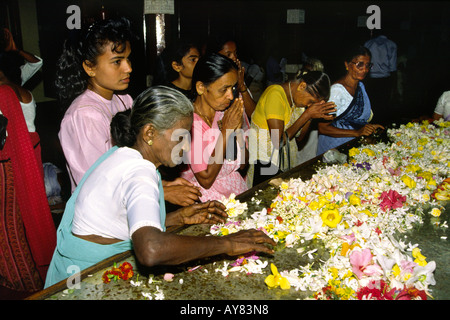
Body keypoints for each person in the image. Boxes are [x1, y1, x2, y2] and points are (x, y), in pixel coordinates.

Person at [44, 86, 275, 288]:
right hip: (88, 278)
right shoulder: (140, 173)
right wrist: (228, 243)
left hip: (74, 269)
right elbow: (151, 249)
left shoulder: (122, 154)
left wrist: (177, 218)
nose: (187, 146)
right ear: (150, 133)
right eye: (181, 137)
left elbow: (113, 223)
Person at [56, 17, 199, 206]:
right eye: (117, 61)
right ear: (89, 67)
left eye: (128, 59)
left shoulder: (124, 100)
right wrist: (162, 191)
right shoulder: (85, 115)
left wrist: (163, 183)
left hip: (128, 200)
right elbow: (100, 183)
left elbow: (135, 160)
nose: (128, 68)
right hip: (101, 212)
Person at [0, 83, 56, 293]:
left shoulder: (4, 93)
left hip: (8, 173)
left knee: (12, 240)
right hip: (22, 166)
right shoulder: (15, 90)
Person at [248, 71, 336, 187]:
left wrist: (310, 117)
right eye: (311, 102)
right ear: (302, 86)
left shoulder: (297, 100)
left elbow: (299, 138)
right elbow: (277, 141)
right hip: (264, 163)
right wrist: (307, 115)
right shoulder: (275, 95)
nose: (309, 106)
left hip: (282, 162)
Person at [181, 53, 249, 201]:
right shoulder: (189, 123)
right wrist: (226, 132)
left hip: (235, 190)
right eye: (223, 90)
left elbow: (243, 164)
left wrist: (237, 132)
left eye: (233, 88)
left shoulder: (225, 113)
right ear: (201, 87)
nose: (230, 96)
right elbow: (205, 179)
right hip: (206, 201)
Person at [317, 45, 385, 156]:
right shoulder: (337, 91)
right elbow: (323, 128)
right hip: (334, 149)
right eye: (360, 65)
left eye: (368, 65)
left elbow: (354, 120)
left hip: (351, 144)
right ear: (347, 64)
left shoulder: (360, 86)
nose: (365, 70)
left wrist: (369, 128)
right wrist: (357, 132)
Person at [207, 35, 256, 120]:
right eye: (228, 54)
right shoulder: (212, 81)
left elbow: (253, 114)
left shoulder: (238, 77)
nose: (234, 58)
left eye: (235, 53)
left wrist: (242, 86)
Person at [364, 31, 397, 126]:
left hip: (370, 79)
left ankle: (371, 126)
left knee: (371, 105)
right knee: (383, 106)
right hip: (384, 79)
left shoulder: (368, 43)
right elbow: (393, 67)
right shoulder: (391, 44)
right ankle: (380, 126)